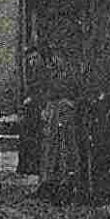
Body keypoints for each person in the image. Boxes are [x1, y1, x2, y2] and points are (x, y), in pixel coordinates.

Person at [37, 51, 83, 202]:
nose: (55, 61)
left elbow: (77, 95)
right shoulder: (52, 75)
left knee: (66, 150)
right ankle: (50, 183)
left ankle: (66, 185)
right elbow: (47, 92)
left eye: (58, 57)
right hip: (53, 116)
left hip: (66, 117)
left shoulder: (72, 75)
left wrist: (70, 103)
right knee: (50, 150)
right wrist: (46, 107)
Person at [18, 42, 45, 176]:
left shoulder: (43, 73)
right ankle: (28, 166)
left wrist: (33, 98)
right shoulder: (29, 74)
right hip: (30, 110)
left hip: (39, 107)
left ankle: (36, 165)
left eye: (35, 58)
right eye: (29, 60)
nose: (32, 62)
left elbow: (42, 89)